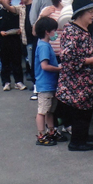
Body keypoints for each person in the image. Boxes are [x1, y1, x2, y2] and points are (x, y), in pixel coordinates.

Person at [56, 0, 93, 151]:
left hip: (84, 81)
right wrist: (90, 61)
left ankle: (82, 136)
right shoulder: (73, 31)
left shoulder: (81, 30)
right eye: (90, 12)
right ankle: (77, 142)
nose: (92, 15)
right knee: (80, 112)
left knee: (86, 110)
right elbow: (68, 58)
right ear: (80, 13)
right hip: (77, 82)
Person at [34, 16, 66, 146]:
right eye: (54, 30)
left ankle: (51, 131)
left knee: (50, 110)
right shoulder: (43, 47)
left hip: (51, 84)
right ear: (47, 31)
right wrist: (59, 69)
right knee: (43, 110)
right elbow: (45, 66)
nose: (55, 34)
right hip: (45, 84)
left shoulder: (45, 45)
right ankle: (41, 134)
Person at [0, 0, 27, 91]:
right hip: (3, 41)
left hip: (15, 40)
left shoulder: (16, 12)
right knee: (5, 62)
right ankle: (6, 82)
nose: (4, 0)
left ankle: (19, 81)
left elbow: (21, 23)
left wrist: (19, 31)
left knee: (17, 61)